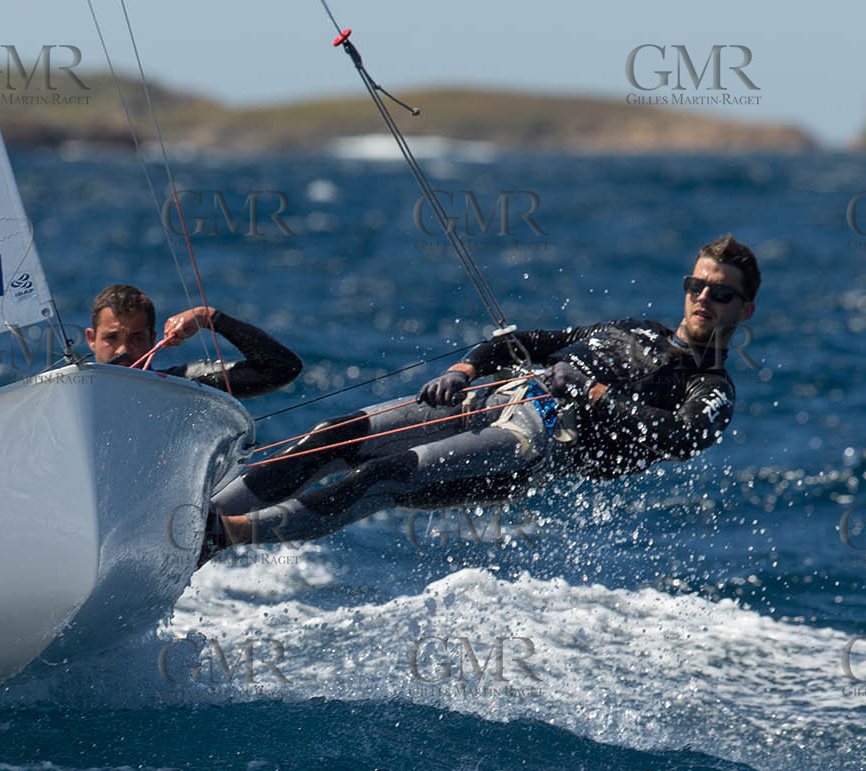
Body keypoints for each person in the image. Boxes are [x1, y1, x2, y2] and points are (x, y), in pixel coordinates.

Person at [204, 235, 760, 556]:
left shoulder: (709, 386)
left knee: (386, 474)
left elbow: (684, 437)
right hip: (491, 396)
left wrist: (591, 392)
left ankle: (222, 537)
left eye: (721, 292)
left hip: (531, 445)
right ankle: (197, 518)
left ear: (744, 309)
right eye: (696, 285)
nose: (704, 297)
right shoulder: (632, 326)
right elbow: (523, 341)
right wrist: (464, 368)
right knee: (335, 435)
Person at [85, 283, 302, 399]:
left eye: (137, 337)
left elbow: (282, 368)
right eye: (111, 338)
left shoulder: (183, 386)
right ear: (91, 339)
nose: (123, 349)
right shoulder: (67, 395)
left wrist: (210, 318)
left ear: (153, 340)